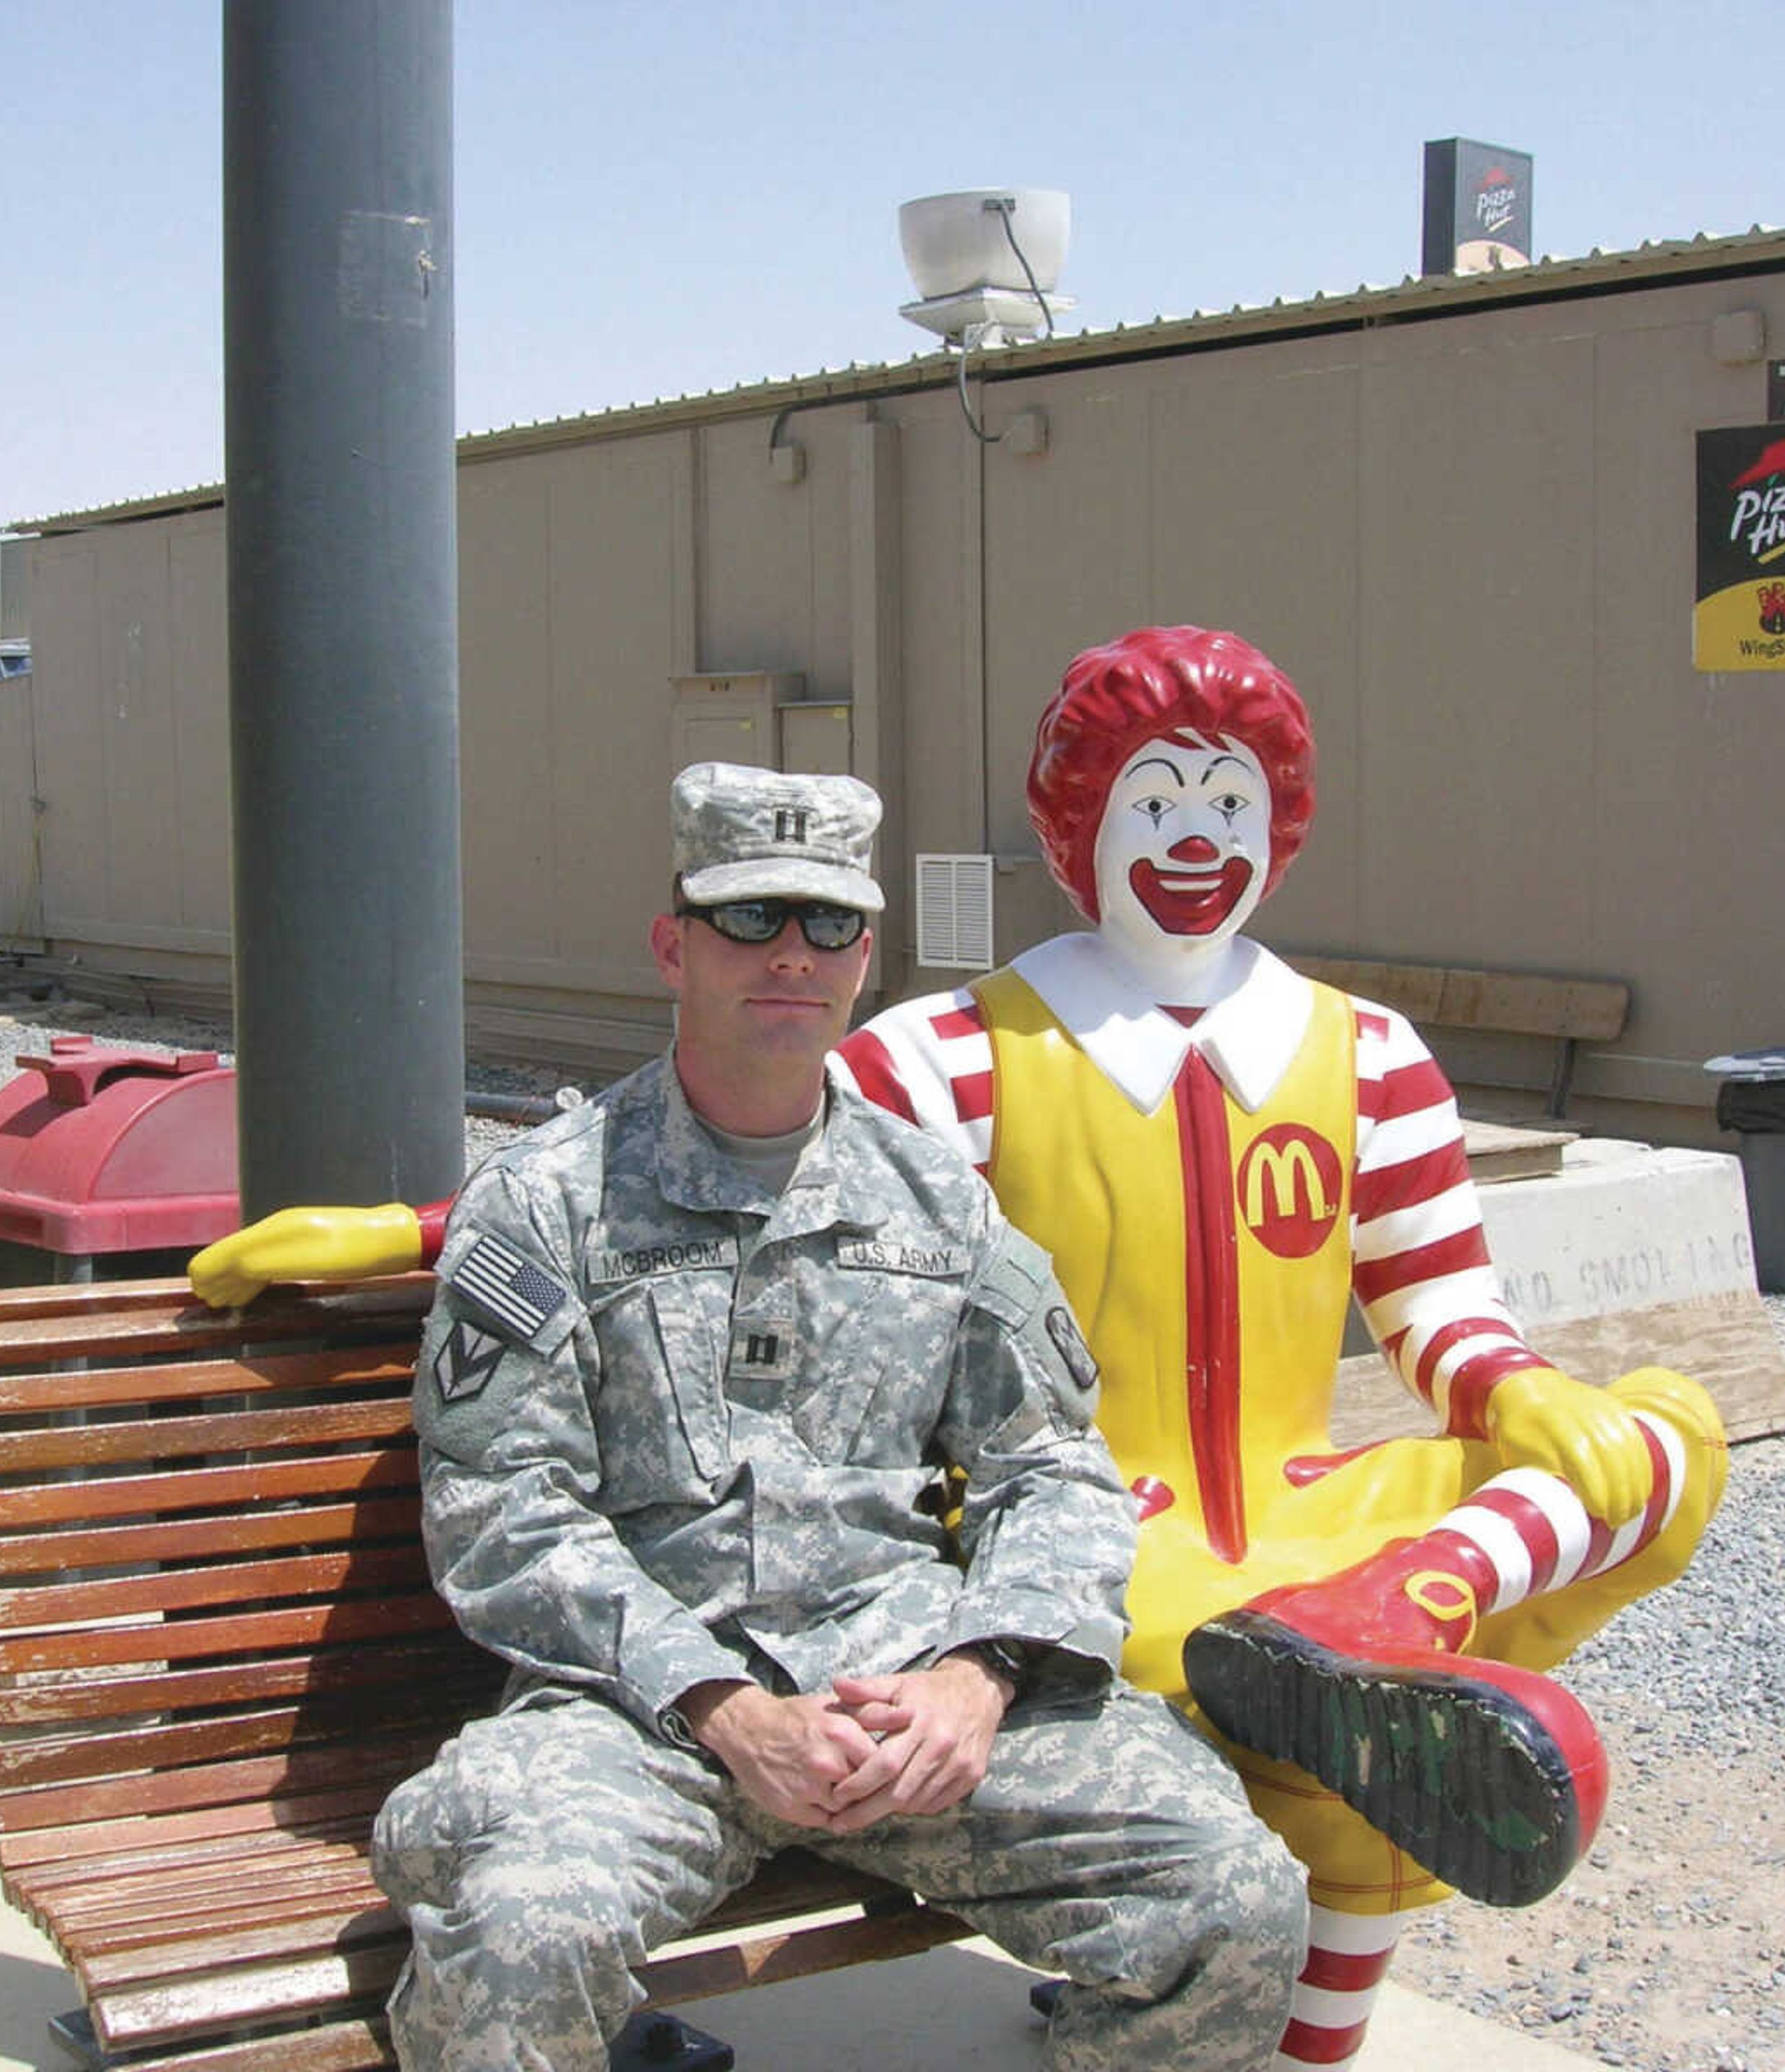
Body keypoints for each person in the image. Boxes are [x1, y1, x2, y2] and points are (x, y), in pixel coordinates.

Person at [832, 624, 1729, 2066]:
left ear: (1284, 829)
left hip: (1313, 1522)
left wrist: (1522, 1387)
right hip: (1087, 1549)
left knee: (1668, 1427)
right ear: (1080, 823)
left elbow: (1443, 1315)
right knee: (1337, 1750)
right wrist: (439, 1224)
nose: (1200, 838)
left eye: (1231, 801)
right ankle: (1345, 1731)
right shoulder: (949, 1056)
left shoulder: (1367, 1053)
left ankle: (1402, 1602)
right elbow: (705, 1178)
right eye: (1159, 800)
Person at [324, 763, 1308, 2071]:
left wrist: (980, 1673)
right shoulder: (548, 1202)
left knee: (1232, 1895)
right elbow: (504, 1512)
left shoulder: (937, 1202)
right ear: (672, 946)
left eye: (830, 924)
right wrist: (725, 1705)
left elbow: (1052, 1468)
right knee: (519, 1933)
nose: (793, 954)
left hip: (906, 1703)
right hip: (646, 1716)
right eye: (750, 919)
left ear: (866, 959)